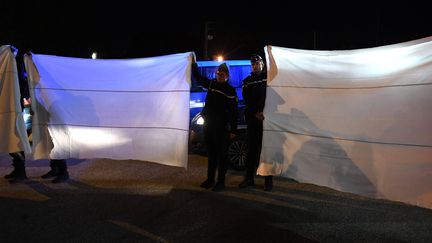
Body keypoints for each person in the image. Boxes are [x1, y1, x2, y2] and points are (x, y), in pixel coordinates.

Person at [191, 60, 238, 192]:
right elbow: (199, 78)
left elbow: (234, 111)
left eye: (222, 74)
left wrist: (233, 129)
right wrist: (194, 65)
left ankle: (221, 182)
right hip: (209, 126)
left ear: (227, 76)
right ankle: (210, 179)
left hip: (221, 127)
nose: (219, 75)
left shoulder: (230, 90)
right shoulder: (211, 84)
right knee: (211, 154)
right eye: (218, 73)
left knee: (222, 155)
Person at [238, 54, 273, 191]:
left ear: (262, 64)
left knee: (266, 151)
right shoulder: (247, 81)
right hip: (253, 119)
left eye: (257, 63)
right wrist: (255, 113)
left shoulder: (268, 78)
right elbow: (247, 99)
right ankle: (249, 179)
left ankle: (268, 181)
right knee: (251, 151)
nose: (255, 66)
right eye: (253, 64)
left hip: (266, 119)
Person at [4, 46, 30, 183]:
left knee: (16, 139)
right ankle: (17, 169)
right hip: (9, 110)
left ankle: (21, 172)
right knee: (10, 139)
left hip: (17, 110)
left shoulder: (17, 72)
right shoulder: (6, 72)